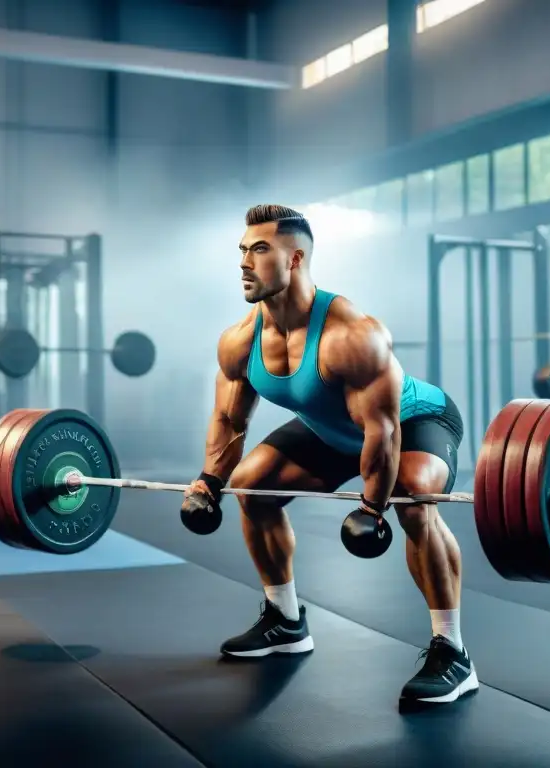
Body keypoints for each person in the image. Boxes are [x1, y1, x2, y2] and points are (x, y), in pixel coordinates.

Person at [183, 204, 474, 705]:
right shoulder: (239, 341)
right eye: (242, 250)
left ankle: (452, 652)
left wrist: (372, 508)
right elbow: (230, 422)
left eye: (259, 250)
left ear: (294, 259)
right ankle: (285, 621)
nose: (244, 263)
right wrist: (209, 482)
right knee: (251, 488)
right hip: (337, 432)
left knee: (412, 499)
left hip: (413, 422)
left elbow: (383, 434)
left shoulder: (351, 335)